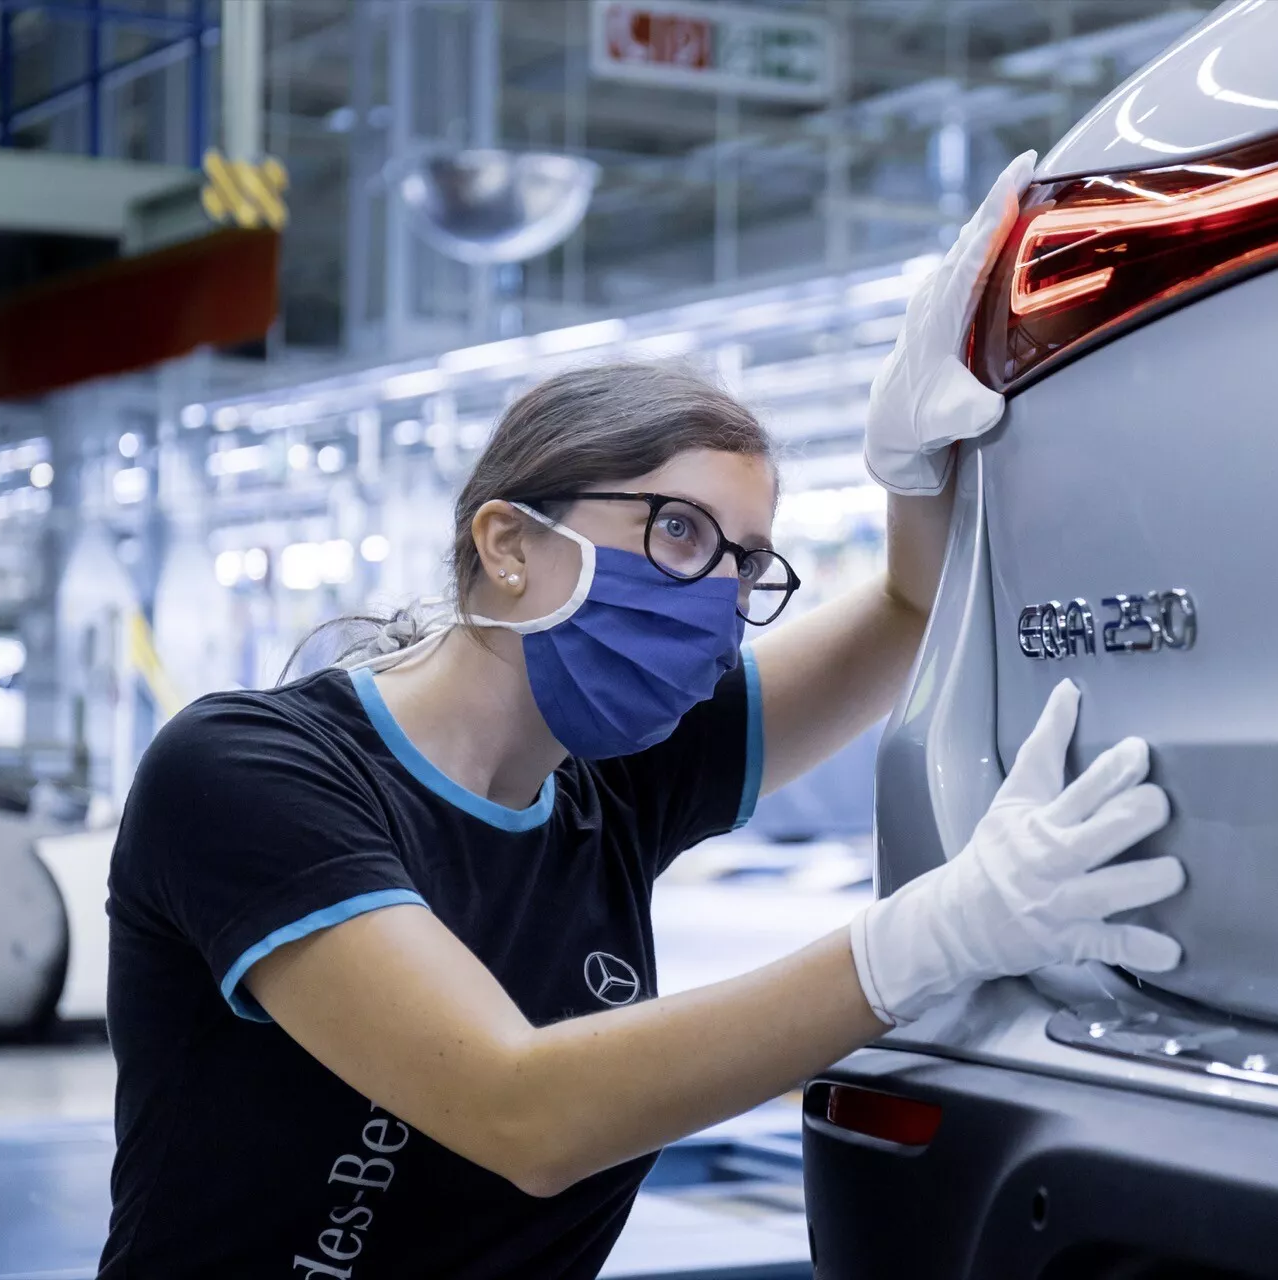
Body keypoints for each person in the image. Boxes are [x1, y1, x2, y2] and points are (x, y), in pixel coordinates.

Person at [98, 154, 1186, 1278]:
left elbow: (910, 604)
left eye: (748, 562)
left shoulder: (618, 773)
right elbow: (521, 1109)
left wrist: (910, 463)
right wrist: (925, 938)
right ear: (509, 544)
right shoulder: (247, 773)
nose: (718, 595)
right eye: (678, 532)